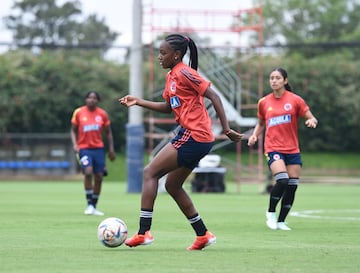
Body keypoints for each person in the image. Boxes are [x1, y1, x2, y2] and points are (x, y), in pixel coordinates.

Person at [119, 34, 243, 250]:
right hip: (193, 135)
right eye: (159, 52)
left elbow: (214, 96)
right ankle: (203, 234)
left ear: (177, 55)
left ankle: (143, 232)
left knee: (150, 173)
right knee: (172, 185)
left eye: (163, 53)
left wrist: (226, 129)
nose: (159, 57)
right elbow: (168, 107)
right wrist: (138, 101)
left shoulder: (185, 72)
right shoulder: (172, 76)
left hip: (195, 135)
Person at [247, 68, 318, 230]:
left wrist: (312, 121)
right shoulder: (264, 102)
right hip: (273, 148)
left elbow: (311, 116)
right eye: (271, 78)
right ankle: (271, 212)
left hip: (292, 149)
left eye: (277, 78)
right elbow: (261, 122)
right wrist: (254, 135)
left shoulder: (295, 100)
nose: (274, 81)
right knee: (282, 180)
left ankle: (281, 221)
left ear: (285, 81)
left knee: (292, 185)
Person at [70, 91, 116, 216]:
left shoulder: (102, 114)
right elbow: (73, 131)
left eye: (94, 98)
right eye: (89, 97)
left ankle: (94, 205)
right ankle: (89, 204)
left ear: (98, 100)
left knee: (99, 176)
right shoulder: (79, 112)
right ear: (85, 99)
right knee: (88, 172)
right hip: (84, 149)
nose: (91, 100)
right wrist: (75, 144)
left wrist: (111, 149)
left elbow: (108, 133)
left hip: (98, 149)